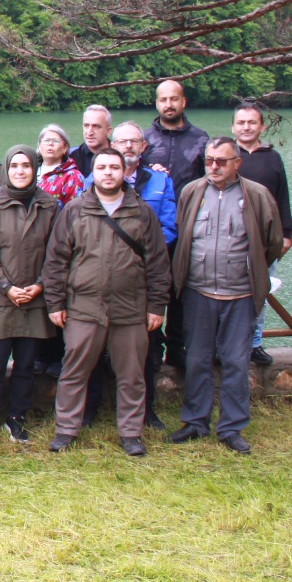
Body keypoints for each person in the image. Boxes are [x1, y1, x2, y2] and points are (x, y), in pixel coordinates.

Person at [42, 150, 171, 456]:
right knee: (74, 370)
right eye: (102, 167)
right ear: (94, 173)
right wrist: (55, 303)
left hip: (130, 308)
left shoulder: (141, 213)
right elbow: (56, 260)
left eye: (115, 167)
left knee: (131, 374)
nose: (109, 172)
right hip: (83, 307)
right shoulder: (75, 210)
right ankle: (66, 429)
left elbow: (158, 262)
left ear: (124, 172)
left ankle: (131, 433)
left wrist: (156, 306)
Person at [169, 139, 284, 454]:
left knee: (235, 361)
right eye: (209, 161)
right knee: (197, 359)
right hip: (198, 291)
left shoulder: (257, 196)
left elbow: (272, 243)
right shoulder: (192, 192)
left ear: (237, 163)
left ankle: (232, 428)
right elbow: (182, 230)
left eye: (221, 161)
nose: (214, 167)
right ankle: (195, 422)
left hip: (240, 294)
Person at [85, 120, 180, 429]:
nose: (128, 146)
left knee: (147, 350)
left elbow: (168, 227)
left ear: (143, 146)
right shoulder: (93, 178)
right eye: (122, 141)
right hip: (100, 280)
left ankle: (146, 411)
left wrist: (136, 252)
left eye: (133, 142)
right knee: (95, 349)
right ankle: (91, 409)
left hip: (140, 280)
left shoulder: (160, 182)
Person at [0, 146, 58, 444]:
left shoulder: (50, 205)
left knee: (25, 364)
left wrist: (39, 285)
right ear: (7, 169)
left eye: (26, 166)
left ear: (34, 169)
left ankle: (16, 417)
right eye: (14, 166)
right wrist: (7, 287)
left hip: (35, 297)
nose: (20, 171)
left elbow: (55, 252)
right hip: (0, 297)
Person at [231, 100, 292, 367]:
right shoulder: (225, 156)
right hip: (231, 239)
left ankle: (255, 344)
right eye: (241, 122)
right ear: (232, 126)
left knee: (261, 294)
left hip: (266, 241)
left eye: (252, 122)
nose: (246, 127)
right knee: (228, 295)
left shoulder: (272, 158)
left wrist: (286, 234)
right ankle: (226, 346)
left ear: (262, 126)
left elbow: (283, 198)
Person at [144, 80, 209, 193]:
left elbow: (209, 177)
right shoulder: (145, 138)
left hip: (189, 207)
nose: (168, 105)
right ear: (157, 104)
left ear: (183, 102)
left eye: (174, 99)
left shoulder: (201, 139)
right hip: (153, 208)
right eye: (163, 100)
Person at [35, 124, 83, 209]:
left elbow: (74, 211)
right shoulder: (30, 170)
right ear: (39, 146)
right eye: (46, 140)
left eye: (55, 141)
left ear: (65, 148)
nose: (50, 144)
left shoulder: (73, 176)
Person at [70, 104, 113, 178]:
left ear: (108, 131)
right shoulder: (70, 157)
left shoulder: (120, 156)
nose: (89, 132)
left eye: (96, 126)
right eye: (86, 126)